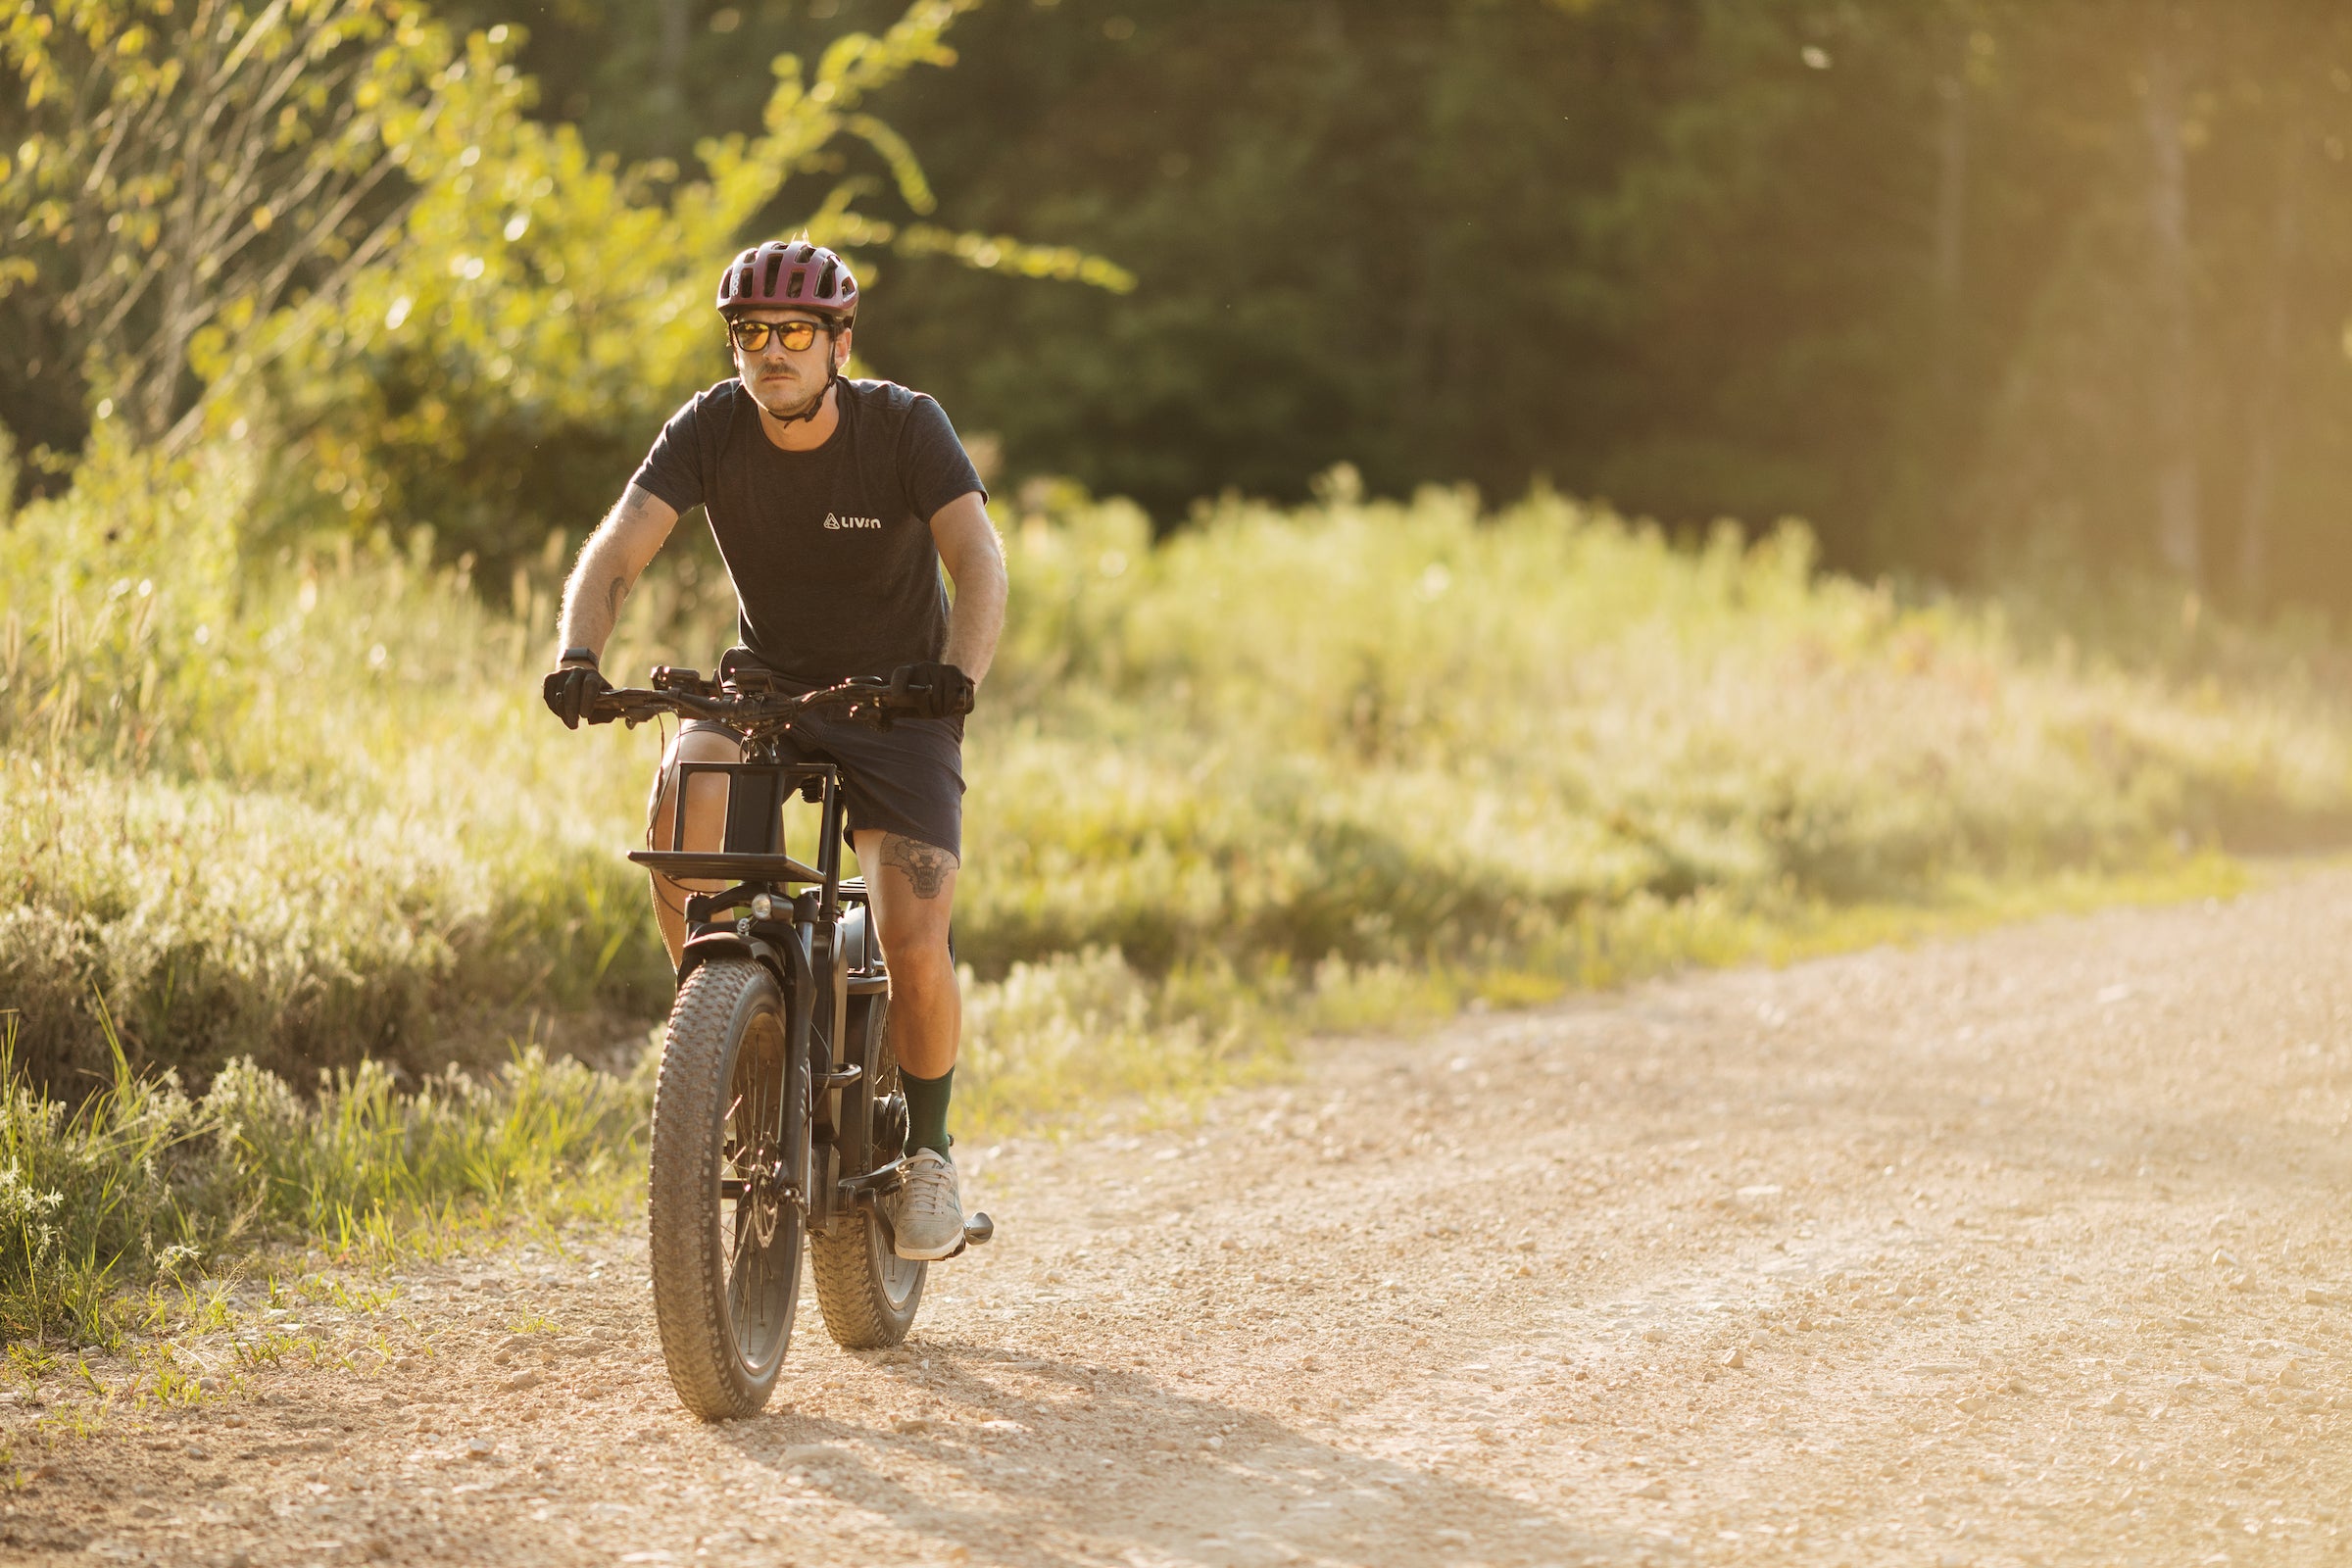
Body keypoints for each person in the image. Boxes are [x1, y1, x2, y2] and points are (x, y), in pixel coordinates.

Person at [540, 239, 1006, 1261]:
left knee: (915, 935)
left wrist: (955, 672)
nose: (770, 352)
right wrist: (579, 649)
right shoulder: (711, 427)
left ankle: (927, 1151)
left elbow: (976, 557)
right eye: (750, 333)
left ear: (841, 341)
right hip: (770, 690)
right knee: (685, 791)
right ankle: (727, 1039)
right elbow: (619, 548)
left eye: (794, 331)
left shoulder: (903, 426)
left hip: (900, 701)